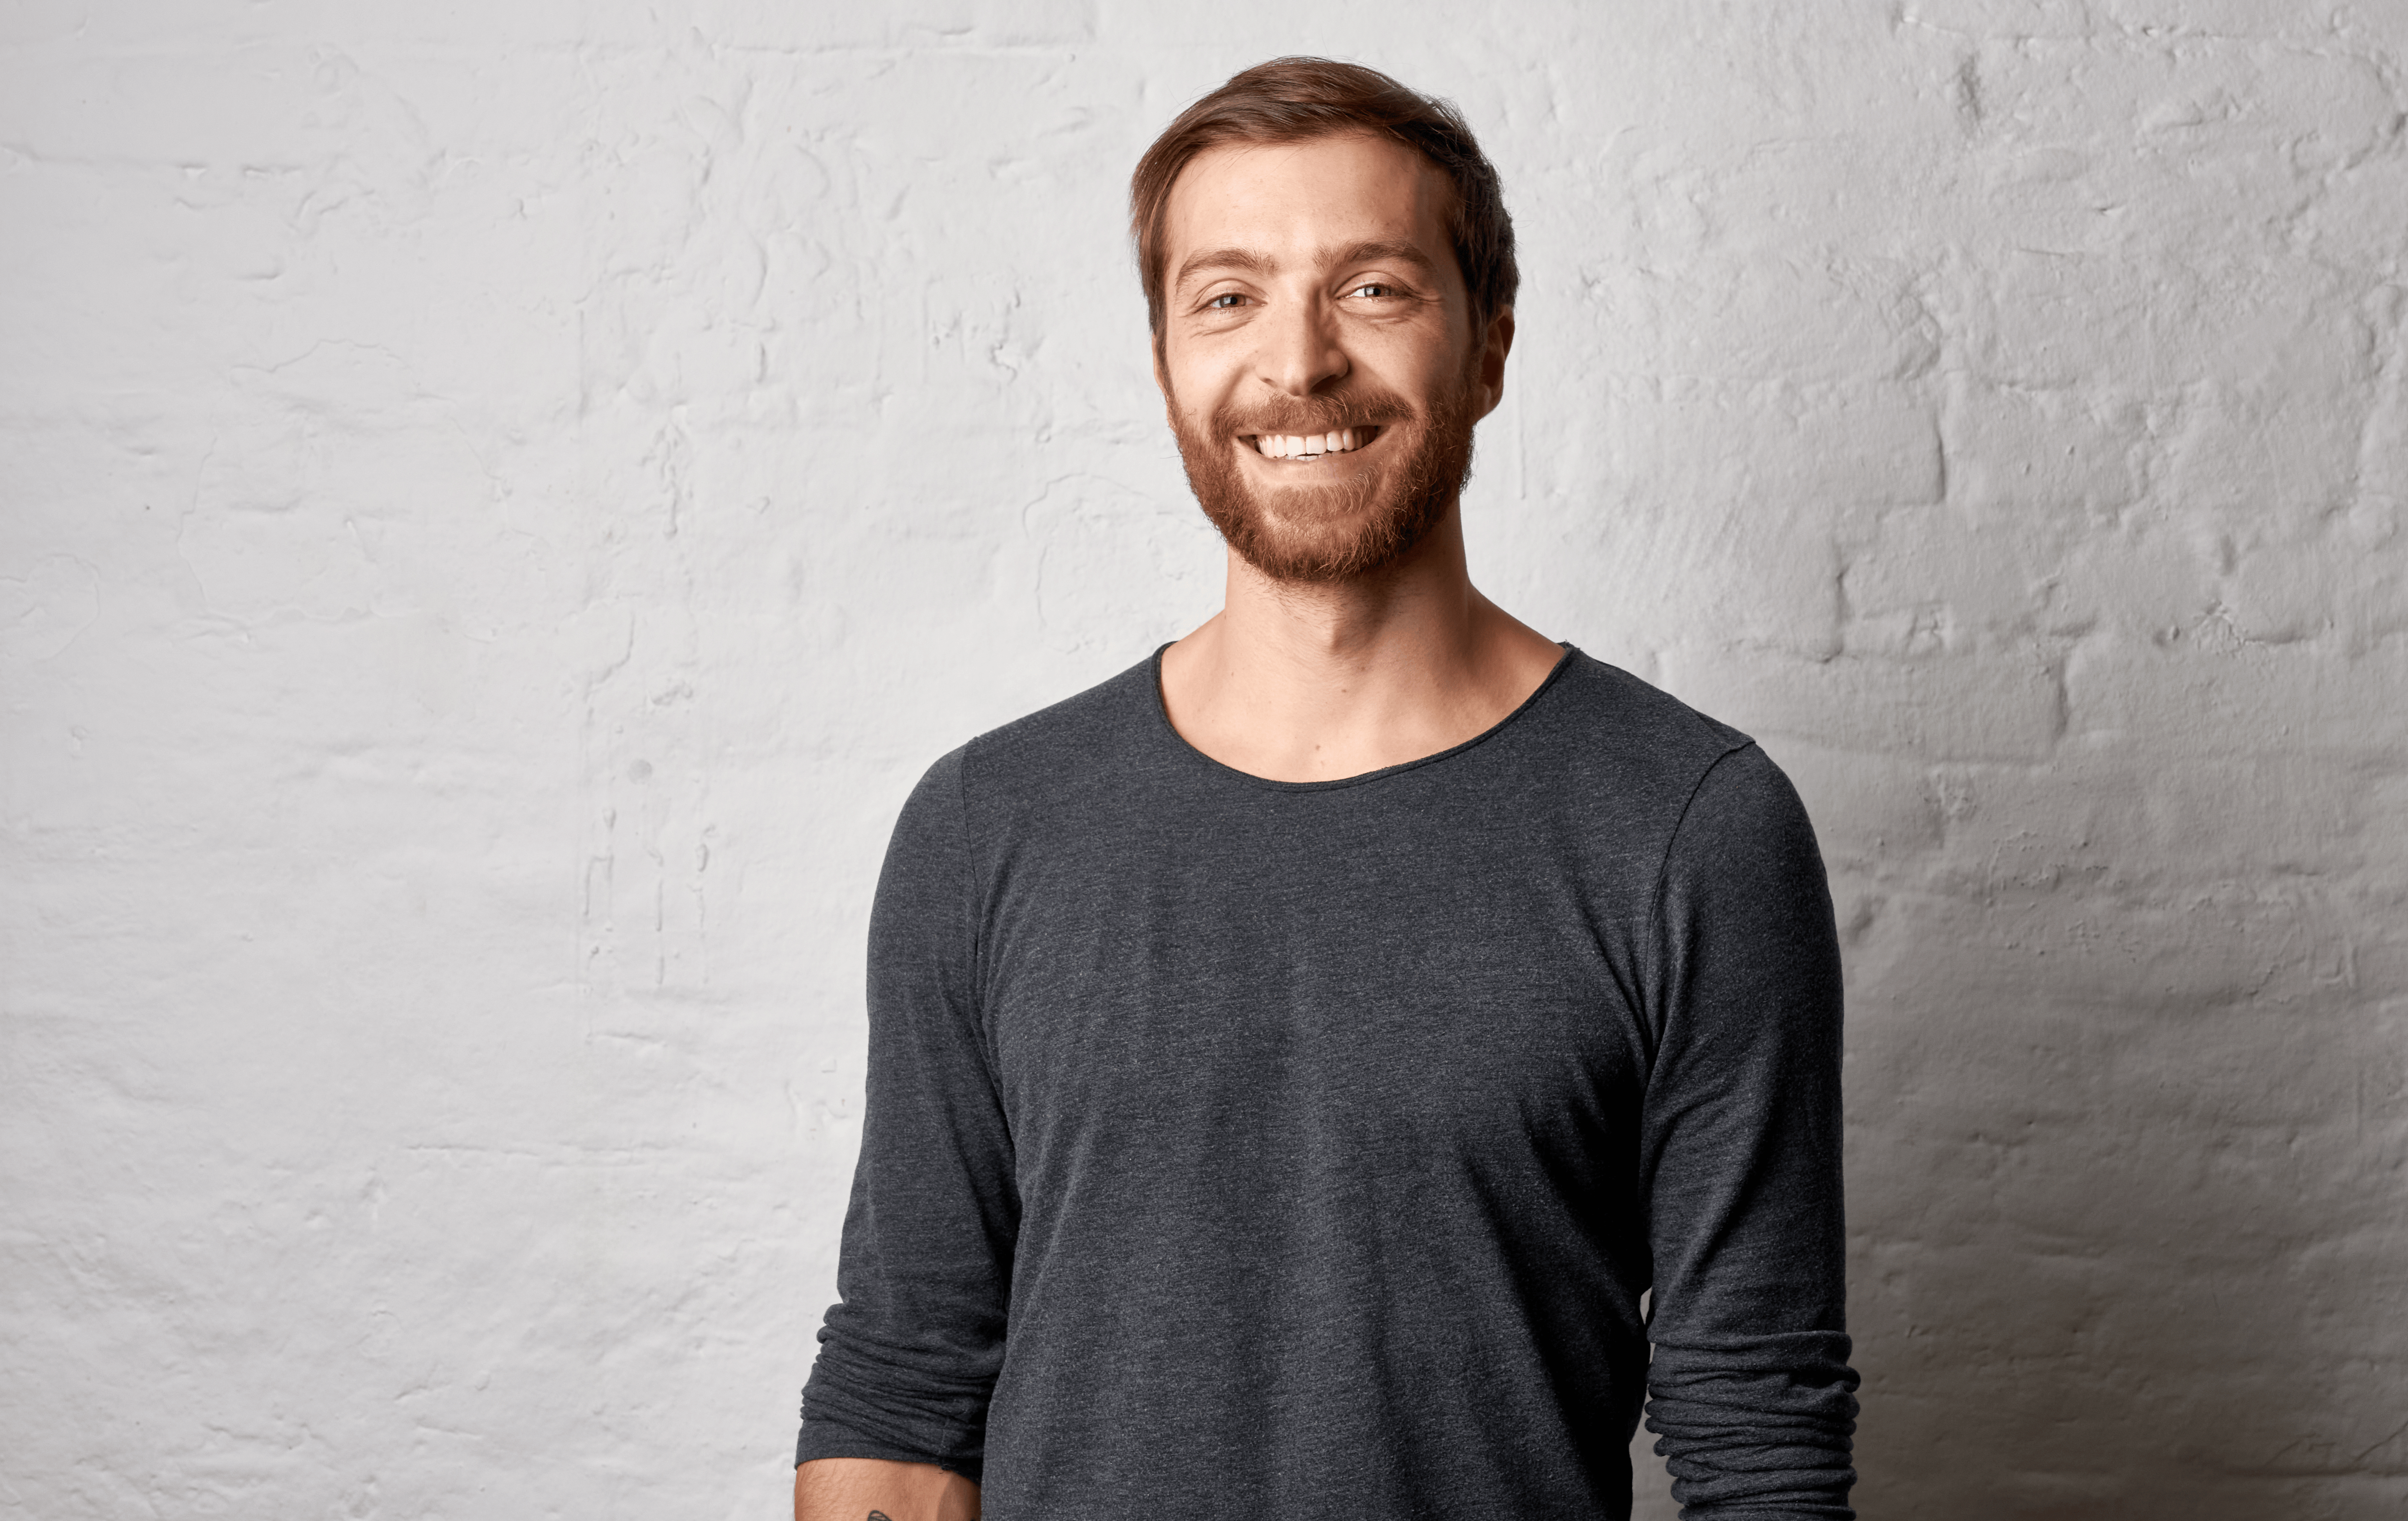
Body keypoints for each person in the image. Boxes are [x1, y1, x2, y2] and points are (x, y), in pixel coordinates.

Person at [792, 56, 1859, 1521]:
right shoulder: (987, 829)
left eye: (1373, 288)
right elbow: (903, 1395)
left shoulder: (1689, 830)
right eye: (1226, 296)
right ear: (1166, 359)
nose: (1298, 362)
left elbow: (1759, 1436)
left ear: (1487, 345)